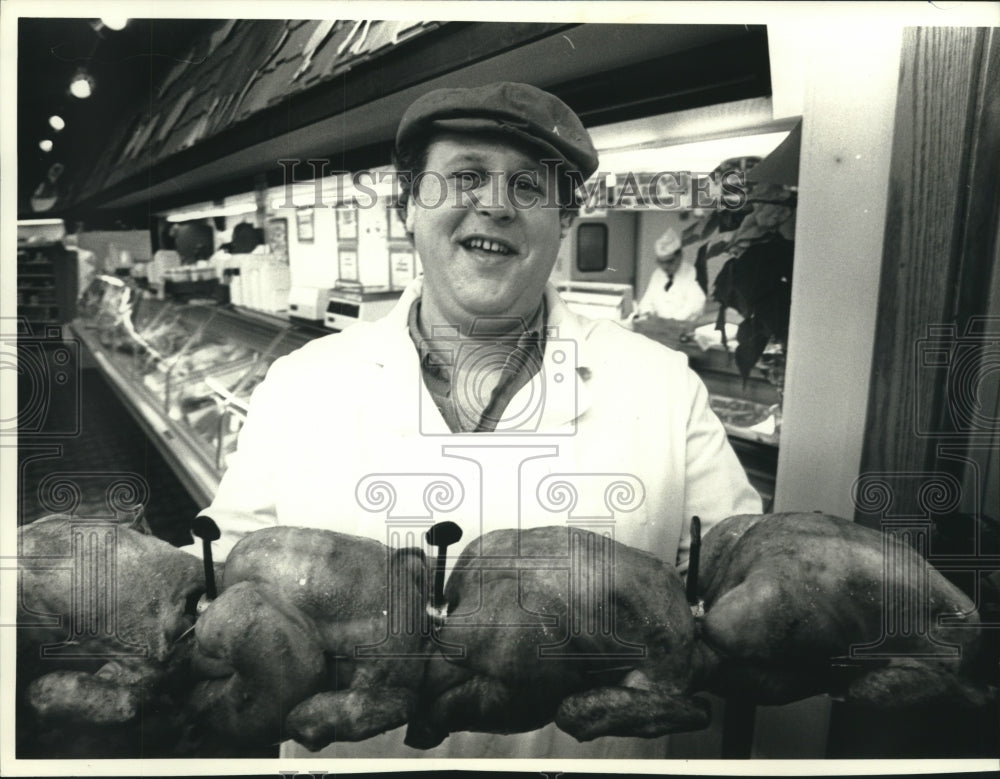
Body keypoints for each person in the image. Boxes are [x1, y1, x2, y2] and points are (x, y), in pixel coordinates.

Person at [193, 82, 761, 758]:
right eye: (465, 176)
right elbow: (216, 583)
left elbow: (733, 600)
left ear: (566, 218)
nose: (494, 203)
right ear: (408, 206)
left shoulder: (664, 389)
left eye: (528, 186)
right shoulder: (301, 385)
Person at [635, 227, 707, 321]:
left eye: (669, 262)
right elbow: (647, 301)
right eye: (661, 262)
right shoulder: (657, 274)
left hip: (682, 326)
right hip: (660, 327)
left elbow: (696, 304)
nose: (665, 267)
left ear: (680, 256)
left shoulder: (692, 273)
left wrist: (673, 321)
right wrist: (646, 312)